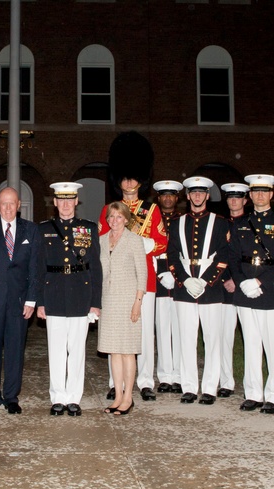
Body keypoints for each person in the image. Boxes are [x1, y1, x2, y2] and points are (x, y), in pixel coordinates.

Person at [97, 131, 167, 402]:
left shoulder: (152, 210)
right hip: (115, 284)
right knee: (114, 333)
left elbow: (162, 243)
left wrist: (146, 245)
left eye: (133, 176)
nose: (128, 181)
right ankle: (115, 383)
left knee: (143, 333)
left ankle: (145, 380)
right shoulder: (109, 210)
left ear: (141, 179)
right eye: (124, 176)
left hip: (143, 282)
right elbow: (104, 245)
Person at [229, 174, 274, 414]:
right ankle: (253, 393)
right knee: (251, 345)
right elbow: (233, 258)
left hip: (271, 291)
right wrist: (242, 282)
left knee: (273, 346)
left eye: (264, 192)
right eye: (255, 192)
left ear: (271, 195)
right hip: (245, 292)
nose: (259, 195)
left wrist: (259, 280)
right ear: (250, 196)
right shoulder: (239, 224)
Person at [36, 182, 103, 416]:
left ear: (76, 202)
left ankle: (74, 397)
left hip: (80, 294)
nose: (65, 205)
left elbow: (95, 266)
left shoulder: (88, 228)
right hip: (53, 293)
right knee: (55, 350)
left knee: (77, 350)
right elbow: (38, 268)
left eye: (69, 200)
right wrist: (39, 302)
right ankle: (57, 397)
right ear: (55, 203)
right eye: (61, 200)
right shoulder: (43, 229)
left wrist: (96, 301)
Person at [0, 187, 41, 415]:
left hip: (19, 301)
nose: (8, 208)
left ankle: (11, 396)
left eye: (12, 203)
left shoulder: (31, 230)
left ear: (19, 204)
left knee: (15, 350)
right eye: (4, 203)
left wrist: (32, 300)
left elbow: (35, 268)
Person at [165, 177, 232, 405]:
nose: (197, 196)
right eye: (193, 192)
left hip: (210, 289)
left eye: (201, 193)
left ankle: (210, 388)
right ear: (187, 195)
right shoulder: (177, 223)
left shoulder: (221, 223)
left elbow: (224, 255)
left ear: (207, 195)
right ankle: (189, 387)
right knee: (186, 339)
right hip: (185, 289)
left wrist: (205, 280)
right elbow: (172, 255)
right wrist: (184, 280)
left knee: (212, 339)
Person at [98, 202, 147, 415]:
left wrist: (137, 302)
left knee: (128, 352)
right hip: (108, 301)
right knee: (114, 351)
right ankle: (118, 395)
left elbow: (142, 274)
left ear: (126, 220)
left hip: (128, 301)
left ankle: (129, 397)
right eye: (111, 216)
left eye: (119, 217)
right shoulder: (100, 241)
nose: (114, 221)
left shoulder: (134, 241)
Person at [216, 182, 250, 399]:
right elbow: (218, 254)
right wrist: (227, 279)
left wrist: (239, 280)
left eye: (238, 197)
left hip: (247, 288)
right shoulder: (220, 225)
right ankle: (226, 381)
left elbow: (253, 257)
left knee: (251, 340)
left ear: (245, 200)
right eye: (230, 197)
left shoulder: (252, 223)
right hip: (225, 288)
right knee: (224, 337)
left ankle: (252, 384)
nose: (234, 201)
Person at [151, 180, 184, 395]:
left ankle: (180, 376)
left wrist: (177, 274)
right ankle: (164, 376)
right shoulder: (152, 221)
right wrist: (159, 272)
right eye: (164, 195)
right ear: (158, 198)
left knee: (181, 330)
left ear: (177, 198)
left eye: (172, 195)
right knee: (162, 329)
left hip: (181, 280)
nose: (168, 199)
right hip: (160, 279)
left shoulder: (184, 221)